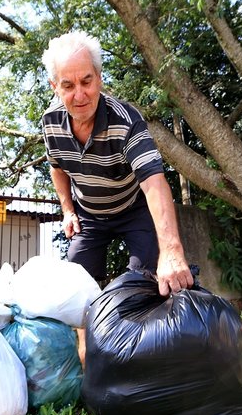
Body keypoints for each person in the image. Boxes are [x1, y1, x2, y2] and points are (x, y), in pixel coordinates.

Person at [41, 30, 193, 297]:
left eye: (86, 81)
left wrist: (172, 251)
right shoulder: (50, 123)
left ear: (99, 78)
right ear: (55, 87)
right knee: (76, 288)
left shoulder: (127, 121)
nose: (80, 96)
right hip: (89, 214)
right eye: (68, 86)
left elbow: (153, 181)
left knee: (145, 284)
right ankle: (85, 341)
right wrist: (68, 211)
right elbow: (56, 167)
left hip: (133, 210)